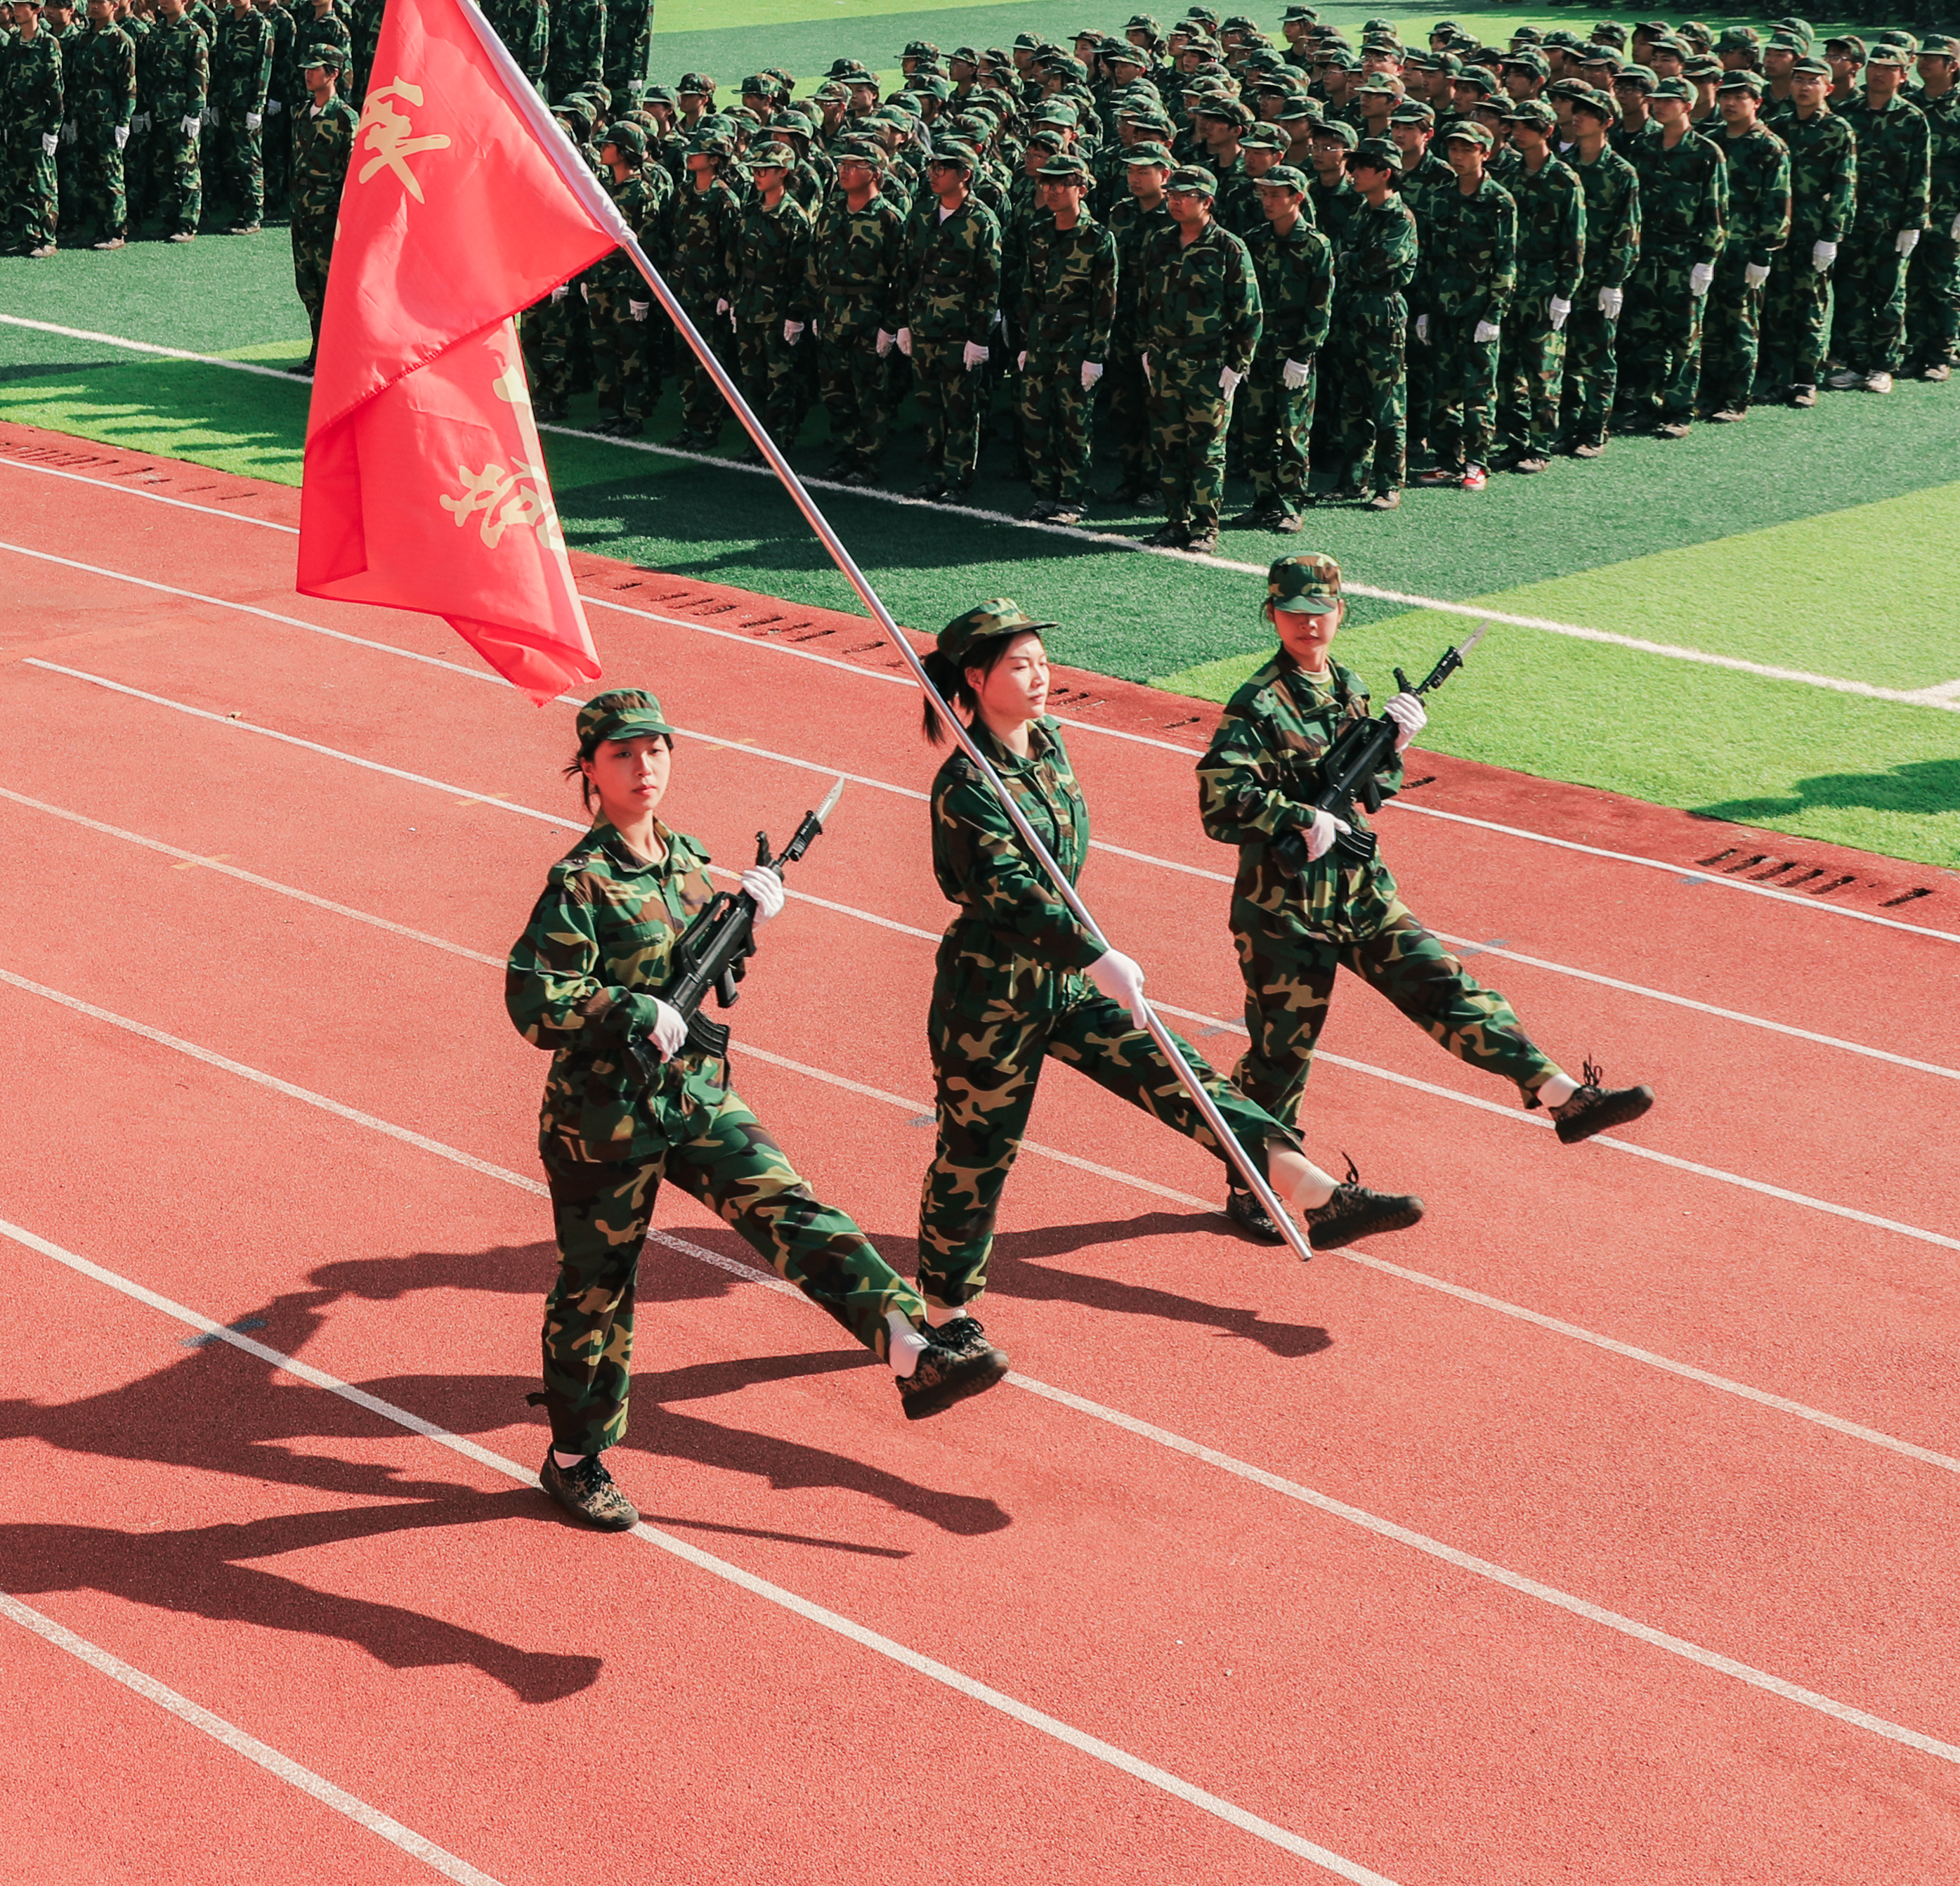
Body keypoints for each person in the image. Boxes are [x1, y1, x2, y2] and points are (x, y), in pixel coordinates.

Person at [510, 687, 1001, 1531]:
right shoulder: (579, 883)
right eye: (623, 754)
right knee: (597, 1289)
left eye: (656, 749)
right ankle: (574, 1457)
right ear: (589, 768)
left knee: (790, 1206)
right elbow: (535, 1001)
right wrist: (632, 1010)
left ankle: (912, 1346)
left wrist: (748, 915)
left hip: (694, 1093)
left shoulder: (687, 856)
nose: (644, 767)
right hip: (602, 1122)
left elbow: (705, 964)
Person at [913, 598, 1419, 1336]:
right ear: (975, 677)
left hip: (1070, 980)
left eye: (1041, 661)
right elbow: (1010, 896)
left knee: (1183, 1076)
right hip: (991, 994)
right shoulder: (965, 788)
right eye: (1019, 665)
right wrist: (1096, 955)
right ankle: (945, 1313)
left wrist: (1087, 961)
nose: (1039, 676)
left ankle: (1316, 1195)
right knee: (975, 1156)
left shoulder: (1047, 742)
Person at [1193, 556, 1649, 1235]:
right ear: (1272, 615)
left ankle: (1563, 1097)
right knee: (1279, 1058)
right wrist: (1300, 818)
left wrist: (1392, 743)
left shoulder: (1350, 689)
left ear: (1342, 612)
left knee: (1446, 984)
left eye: (1320, 607)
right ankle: (1253, 1185)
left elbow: (1370, 790)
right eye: (1292, 610)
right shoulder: (1259, 701)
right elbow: (1219, 802)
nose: (1308, 620)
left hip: (1360, 894)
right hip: (1283, 911)